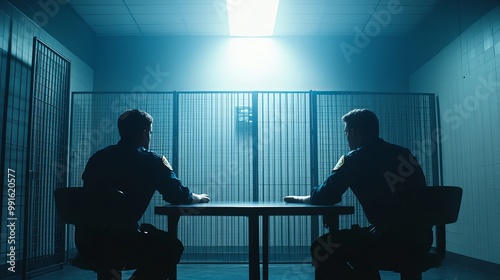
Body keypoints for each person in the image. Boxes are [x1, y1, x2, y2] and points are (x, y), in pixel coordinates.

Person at [284, 109, 432, 280]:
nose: (346, 137)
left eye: (346, 132)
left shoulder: (354, 159)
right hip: (421, 240)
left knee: (323, 247)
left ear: (353, 132)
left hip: (387, 240)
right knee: (361, 242)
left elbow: (325, 196)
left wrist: (301, 198)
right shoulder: (404, 153)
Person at [75, 109, 210, 280]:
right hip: (122, 243)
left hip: (86, 242)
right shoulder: (151, 161)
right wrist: (196, 197)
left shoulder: (98, 158)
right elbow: (176, 194)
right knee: (171, 247)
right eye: (150, 132)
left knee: (109, 249)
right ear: (144, 133)